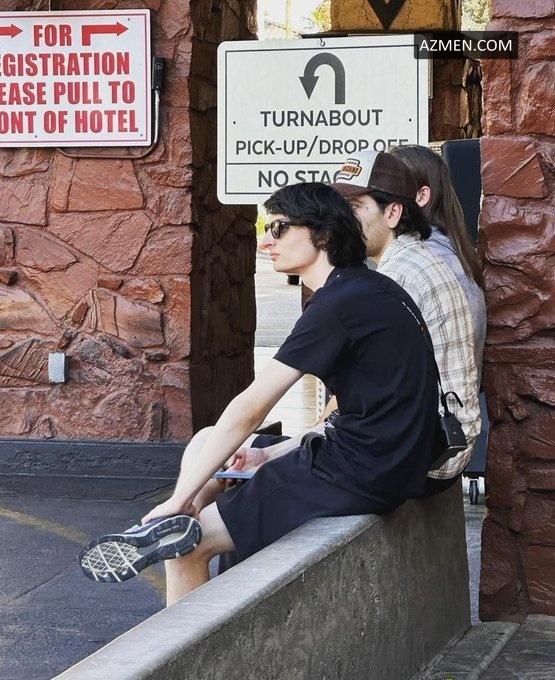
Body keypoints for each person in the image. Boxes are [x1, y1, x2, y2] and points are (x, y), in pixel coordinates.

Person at [79, 181, 442, 604]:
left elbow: (251, 408)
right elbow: (359, 409)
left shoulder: (337, 305)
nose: (266, 241)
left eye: (280, 228)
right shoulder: (371, 288)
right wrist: (270, 454)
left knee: (187, 547)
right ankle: (184, 516)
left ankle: (179, 536)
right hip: (389, 459)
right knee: (205, 442)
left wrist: (175, 498)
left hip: (361, 474)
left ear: (323, 234)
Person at [326, 150, 481, 490]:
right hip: (445, 440)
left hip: (426, 453)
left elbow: (367, 388)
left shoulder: (396, 278)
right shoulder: (418, 255)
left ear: (393, 213)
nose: (340, 220)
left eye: (354, 208)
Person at [389, 144, 486, 377]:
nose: (379, 196)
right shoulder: (452, 251)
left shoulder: (418, 262)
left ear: (422, 195)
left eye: (391, 186)